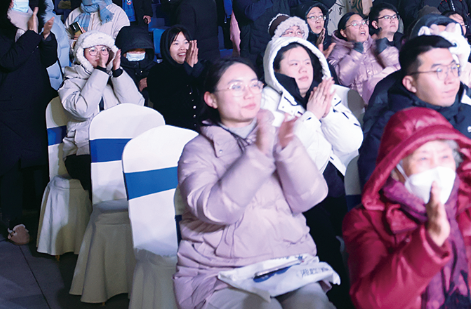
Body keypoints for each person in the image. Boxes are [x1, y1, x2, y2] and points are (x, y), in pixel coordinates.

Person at [344, 108, 471, 309]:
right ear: (395, 169)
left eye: (445, 157)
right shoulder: (367, 220)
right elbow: (371, 301)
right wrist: (429, 242)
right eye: (423, 158)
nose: (437, 168)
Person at [174, 59, 332, 309]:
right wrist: (258, 155)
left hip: (287, 262)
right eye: (236, 87)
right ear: (211, 99)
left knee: (315, 305)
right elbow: (215, 211)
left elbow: (310, 197)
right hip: (220, 272)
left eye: (254, 85)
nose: (249, 93)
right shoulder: (196, 151)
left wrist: (289, 150)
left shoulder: (277, 134)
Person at [262, 36, 363, 309]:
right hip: (294, 192)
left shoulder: (323, 92)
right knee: (325, 242)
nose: (303, 69)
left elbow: (352, 143)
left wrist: (326, 113)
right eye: (293, 63)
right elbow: (277, 155)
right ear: (276, 68)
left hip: (337, 180)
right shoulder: (266, 102)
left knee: (364, 233)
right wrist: (311, 117)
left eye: (307, 62)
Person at [358, 35, 471, 192]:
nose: (451, 79)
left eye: (453, 68)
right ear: (411, 83)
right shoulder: (390, 128)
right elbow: (377, 190)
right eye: (439, 71)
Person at [0, 0, 57, 245]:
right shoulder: (1, 30)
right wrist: (32, 35)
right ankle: (13, 220)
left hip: (36, 104)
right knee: (11, 166)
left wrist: (45, 38)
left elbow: (48, 60)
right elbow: (9, 61)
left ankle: (42, 217)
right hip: (9, 109)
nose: (22, 1)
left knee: (38, 164)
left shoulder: (32, 26)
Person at [59, 31, 143, 192]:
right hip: (81, 152)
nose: (99, 55)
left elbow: (136, 107)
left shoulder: (115, 79)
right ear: (81, 55)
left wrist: (117, 72)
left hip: (115, 147)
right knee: (101, 178)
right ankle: (102, 217)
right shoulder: (70, 82)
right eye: (92, 51)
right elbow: (82, 110)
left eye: (104, 50)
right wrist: (101, 72)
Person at [327, 12, 400, 104]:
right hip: (358, 108)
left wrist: (384, 50)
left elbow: (399, 69)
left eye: (364, 23)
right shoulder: (336, 53)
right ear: (344, 32)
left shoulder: (375, 44)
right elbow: (343, 80)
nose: (362, 27)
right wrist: (357, 51)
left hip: (386, 102)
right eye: (355, 24)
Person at [147, 26, 209, 131]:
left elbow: (211, 87)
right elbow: (162, 97)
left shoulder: (205, 66)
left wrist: (195, 66)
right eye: (176, 43)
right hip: (173, 132)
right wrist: (187, 68)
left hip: (203, 131)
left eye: (186, 42)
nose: (183, 48)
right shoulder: (157, 72)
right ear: (166, 47)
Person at [115, 25, 155, 94]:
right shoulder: (115, 70)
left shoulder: (155, 69)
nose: (138, 53)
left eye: (142, 50)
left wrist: (153, 82)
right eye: (133, 50)